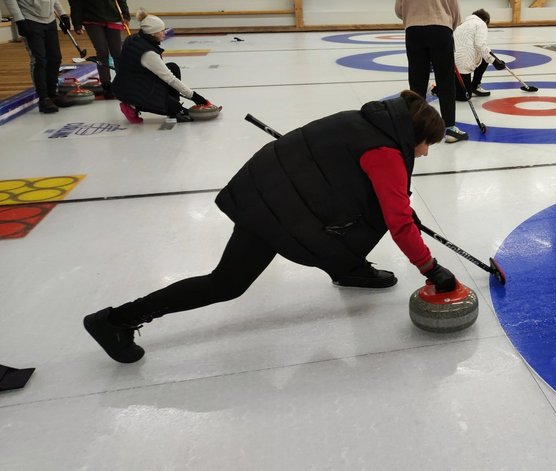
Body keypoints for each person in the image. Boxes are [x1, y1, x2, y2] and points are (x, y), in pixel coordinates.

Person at [83, 90, 460, 364]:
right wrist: (431, 269)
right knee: (227, 283)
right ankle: (117, 320)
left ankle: (348, 269)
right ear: (413, 135)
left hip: (274, 185)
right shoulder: (386, 152)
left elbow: (373, 195)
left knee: (359, 218)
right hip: (275, 205)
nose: (424, 153)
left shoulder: (365, 120)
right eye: (426, 144)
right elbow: (398, 221)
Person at [395, 0, 465, 142]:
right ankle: (450, 128)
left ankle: (415, 129)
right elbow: (454, 8)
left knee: (417, 81)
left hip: (414, 33)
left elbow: (399, 9)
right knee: (445, 80)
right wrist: (449, 28)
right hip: (440, 31)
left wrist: (413, 18)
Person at [2, 0, 71, 114]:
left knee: (55, 58)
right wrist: (19, 19)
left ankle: (52, 93)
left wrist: (62, 13)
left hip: (48, 19)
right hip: (30, 20)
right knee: (39, 60)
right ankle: (44, 98)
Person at [111, 10, 213, 123]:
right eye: (162, 30)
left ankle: (174, 106)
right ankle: (132, 106)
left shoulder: (136, 38)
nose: (164, 33)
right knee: (174, 108)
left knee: (172, 67)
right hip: (132, 91)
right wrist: (196, 97)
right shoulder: (148, 53)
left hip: (135, 81)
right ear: (153, 33)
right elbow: (170, 79)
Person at [67, 0, 129, 100]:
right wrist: (77, 22)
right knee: (102, 52)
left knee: (117, 52)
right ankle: (106, 85)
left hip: (113, 19)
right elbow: (75, 2)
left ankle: (123, 83)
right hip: (92, 21)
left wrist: (126, 16)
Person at [453, 9, 505, 100]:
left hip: (454, 64)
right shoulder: (481, 24)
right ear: (486, 21)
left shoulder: (462, 25)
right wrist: (495, 62)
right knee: (465, 97)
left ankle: (474, 85)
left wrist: (493, 59)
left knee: (485, 57)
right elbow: (480, 44)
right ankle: (438, 90)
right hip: (463, 65)